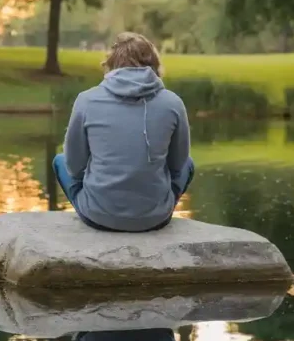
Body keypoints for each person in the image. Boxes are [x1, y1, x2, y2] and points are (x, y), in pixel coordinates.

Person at [54, 32, 193, 232]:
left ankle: (103, 204)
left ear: (111, 63)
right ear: (154, 63)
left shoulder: (86, 100)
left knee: (60, 161)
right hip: (155, 218)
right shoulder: (173, 103)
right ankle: (149, 207)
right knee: (189, 164)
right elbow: (178, 165)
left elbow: (74, 167)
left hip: (99, 216)